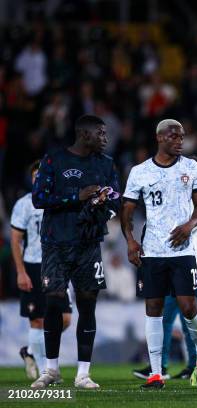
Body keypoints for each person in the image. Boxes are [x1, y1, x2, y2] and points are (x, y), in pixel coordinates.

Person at [30, 115, 120, 389]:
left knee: (87, 305)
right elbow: (39, 199)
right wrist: (77, 197)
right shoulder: (53, 159)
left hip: (88, 244)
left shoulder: (106, 164)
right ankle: (51, 369)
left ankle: (83, 373)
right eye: (101, 133)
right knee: (55, 302)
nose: (105, 138)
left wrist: (103, 205)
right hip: (55, 243)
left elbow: (115, 197)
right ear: (84, 134)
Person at [121, 119, 197, 390]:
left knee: (188, 307)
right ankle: (156, 374)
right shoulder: (140, 172)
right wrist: (131, 241)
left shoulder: (191, 168)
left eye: (182, 137)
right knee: (153, 309)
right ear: (160, 138)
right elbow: (127, 210)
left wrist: (189, 225)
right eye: (174, 137)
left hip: (183, 251)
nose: (180, 141)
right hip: (152, 252)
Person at [11, 160, 72, 381]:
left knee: (65, 319)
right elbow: (16, 240)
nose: (39, 179)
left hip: (57, 265)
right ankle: (47, 370)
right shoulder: (24, 204)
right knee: (37, 320)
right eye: (36, 176)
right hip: (33, 265)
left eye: (42, 175)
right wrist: (20, 271)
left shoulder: (58, 202)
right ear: (32, 178)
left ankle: (30, 349)